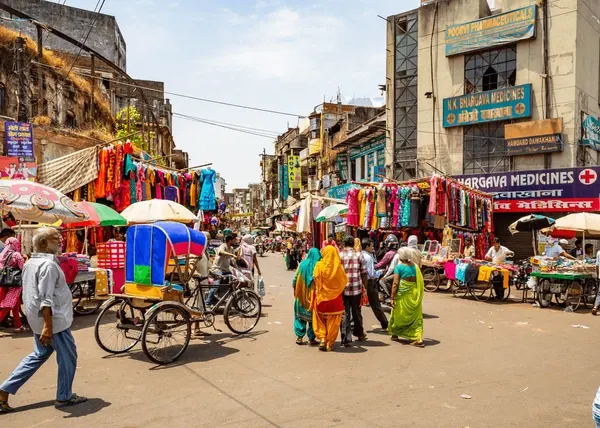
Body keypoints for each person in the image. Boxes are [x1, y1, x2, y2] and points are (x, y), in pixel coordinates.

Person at [0, 228, 87, 413]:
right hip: (54, 323)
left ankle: (4, 390)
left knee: (39, 355)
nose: (60, 241)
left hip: (38, 320)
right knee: (68, 357)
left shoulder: (31, 262)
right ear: (44, 243)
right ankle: (64, 396)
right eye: (55, 238)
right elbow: (45, 298)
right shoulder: (48, 266)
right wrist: (48, 326)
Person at [311, 246, 347, 352]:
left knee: (319, 320)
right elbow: (344, 282)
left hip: (321, 300)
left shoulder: (319, 265)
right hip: (335, 301)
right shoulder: (339, 268)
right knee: (334, 323)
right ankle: (329, 344)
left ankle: (322, 339)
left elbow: (315, 280)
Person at [388, 247, 425, 347]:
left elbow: (395, 283)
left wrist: (392, 297)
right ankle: (417, 337)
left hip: (402, 295)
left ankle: (395, 334)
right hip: (414, 295)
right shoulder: (415, 267)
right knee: (416, 317)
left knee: (397, 314)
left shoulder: (399, 268)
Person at [339, 235, 368, 346]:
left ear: (344, 244)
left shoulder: (340, 255)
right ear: (353, 244)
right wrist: (364, 287)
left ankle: (346, 338)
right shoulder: (359, 255)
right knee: (357, 312)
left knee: (345, 313)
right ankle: (359, 333)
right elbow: (364, 273)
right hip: (357, 289)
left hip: (343, 289)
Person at [292, 248, 321, 346]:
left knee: (300, 317)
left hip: (301, 296)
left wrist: (295, 292)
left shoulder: (302, 264)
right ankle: (311, 338)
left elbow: (295, 279)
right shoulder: (318, 266)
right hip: (313, 297)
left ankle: (299, 337)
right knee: (313, 318)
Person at [361, 238, 388, 330]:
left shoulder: (360, 255)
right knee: (375, 304)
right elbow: (371, 274)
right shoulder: (369, 257)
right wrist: (380, 272)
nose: (373, 248)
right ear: (367, 246)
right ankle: (385, 323)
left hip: (360, 283)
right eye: (371, 246)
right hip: (369, 283)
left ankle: (358, 327)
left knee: (357, 306)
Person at [0, 238, 26, 332]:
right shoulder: (16, 255)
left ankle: (18, 326)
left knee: (16, 304)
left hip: (4, 282)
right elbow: (23, 268)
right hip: (14, 283)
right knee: (8, 305)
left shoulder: (2, 254)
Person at [205, 234, 237, 307]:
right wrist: (232, 255)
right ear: (230, 240)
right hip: (217, 269)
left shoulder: (231, 248)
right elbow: (221, 252)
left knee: (233, 281)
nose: (235, 241)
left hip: (226, 270)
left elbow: (230, 261)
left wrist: (236, 266)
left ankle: (226, 299)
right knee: (216, 285)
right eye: (234, 240)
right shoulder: (223, 246)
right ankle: (208, 302)